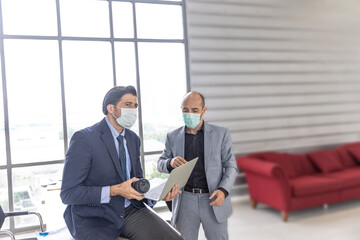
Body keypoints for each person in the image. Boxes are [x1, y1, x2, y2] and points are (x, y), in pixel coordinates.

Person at [61, 86, 183, 240]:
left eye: (135, 105)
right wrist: (115, 190)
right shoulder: (84, 139)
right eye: (128, 105)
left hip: (129, 211)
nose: (133, 110)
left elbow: (137, 182)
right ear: (111, 108)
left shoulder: (133, 139)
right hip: (95, 217)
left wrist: (158, 194)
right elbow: (68, 194)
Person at [157, 91, 238, 240]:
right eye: (185, 110)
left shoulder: (221, 134)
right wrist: (170, 162)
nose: (190, 114)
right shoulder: (172, 136)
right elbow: (160, 164)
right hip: (185, 200)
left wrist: (223, 190)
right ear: (181, 109)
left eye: (195, 110)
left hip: (213, 197)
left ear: (203, 110)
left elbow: (231, 166)